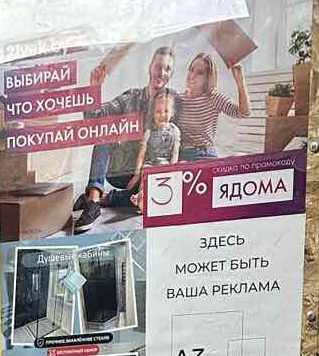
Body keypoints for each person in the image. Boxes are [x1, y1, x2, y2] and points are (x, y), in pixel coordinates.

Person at [74, 44, 175, 231]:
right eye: (158, 66)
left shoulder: (172, 104)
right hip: (121, 169)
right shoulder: (132, 97)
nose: (162, 73)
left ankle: (100, 198)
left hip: (149, 174)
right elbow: (94, 117)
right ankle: (93, 203)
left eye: (167, 69)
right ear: (150, 67)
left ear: (171, 73)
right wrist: (94, 87)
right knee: (106, 131)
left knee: (153, 197)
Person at [174, 52, 249, 160]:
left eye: (200, 73)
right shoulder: (178, 99)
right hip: (181, 156)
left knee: (240, 157)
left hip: (204, 154)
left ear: (207, 78)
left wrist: (240, 82)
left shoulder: (213, 97)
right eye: (191, 69)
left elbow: (244, 113)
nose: (192, 75)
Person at [122, 88, 181, 213]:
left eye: (166, 111)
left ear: (172, 112)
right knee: (146, 174)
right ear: (153, 113)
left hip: (165, 164)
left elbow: (175, 153)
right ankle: (142, 199)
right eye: (158, 112)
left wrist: (172, 169)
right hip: (150, 162)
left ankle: (144, 199)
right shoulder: (149, 131)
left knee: (159, 176)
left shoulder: (175, 131)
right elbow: (141, 154)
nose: (162, 115)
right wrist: (136, 175)